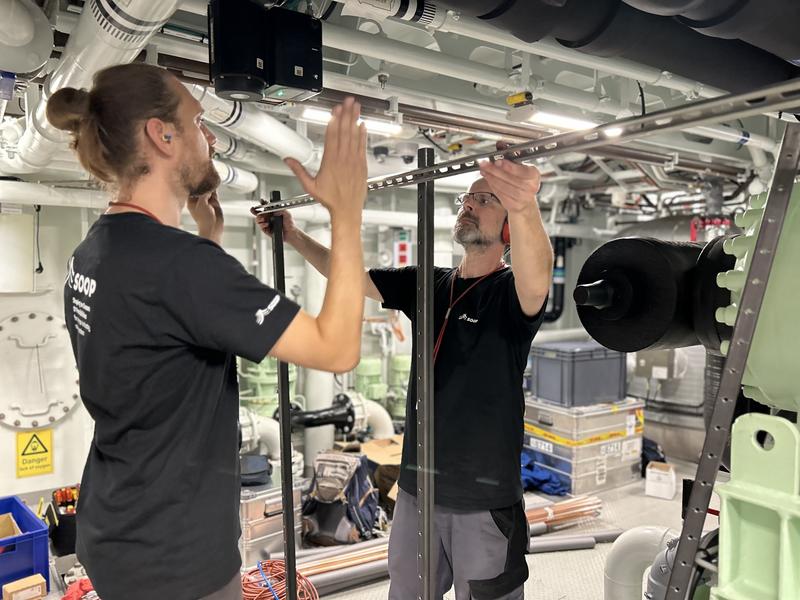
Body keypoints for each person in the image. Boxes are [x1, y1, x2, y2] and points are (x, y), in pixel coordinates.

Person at [47, 62, 368, 600]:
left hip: (118, 529)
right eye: (198, 123)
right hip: (177, 559)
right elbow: (338, 349)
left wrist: (209, 237)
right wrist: (347, 213)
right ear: (162, 135)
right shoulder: (181, 266)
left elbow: (162, 337)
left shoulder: (95, 250)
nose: (210, 139)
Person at [256, 153, 553, 599]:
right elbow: (350, 275)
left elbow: (537, 278)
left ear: (508, 228)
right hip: (417, 492)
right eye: (467, 199)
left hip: (482, 499)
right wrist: (295, 237)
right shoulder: (429, 283)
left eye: (486, 200)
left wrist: (525, 204)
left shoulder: (510, 297)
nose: (469, 205)